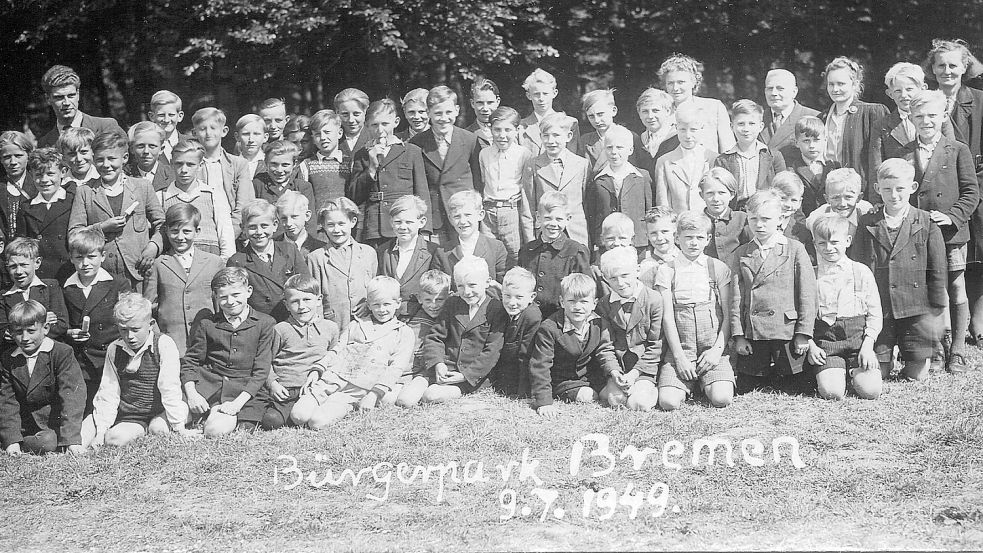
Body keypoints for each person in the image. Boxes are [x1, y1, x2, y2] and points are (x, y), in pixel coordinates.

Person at [853, 159, 947, 381]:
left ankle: (912, 356)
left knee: (918, 375)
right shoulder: (868, 222)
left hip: (915, 308)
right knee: (878, 373)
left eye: (900, 189)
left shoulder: (926, 222)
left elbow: (937, 272)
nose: (894, 195)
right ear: (877, 189)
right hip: (881, 309)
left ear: (913, 188)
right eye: (887, 189)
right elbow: (858, 266)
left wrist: (935, 311)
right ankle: (887, 357)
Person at [907, 90, 980, 373]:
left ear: (943, 116)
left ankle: (958, 349)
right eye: (920, 116)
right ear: (912, 118)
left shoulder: (958, 149)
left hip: (951, 234)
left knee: (956, 286)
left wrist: (952, 217)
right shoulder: (904, 152)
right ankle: (935, 348)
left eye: (932, 115)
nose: (926, 121)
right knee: (929, 289)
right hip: (919, 235)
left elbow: (971, 192)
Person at [293, 276, 413, 428]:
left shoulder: (403, 332)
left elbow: (396, 368)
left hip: (358, 388)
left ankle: (342, 405)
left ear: (398, 303)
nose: (382, 310)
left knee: (317, 422)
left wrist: (374, 394)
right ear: (368, 305)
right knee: (298, 415)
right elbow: (337, 349)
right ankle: (319, 399)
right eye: (376, 305)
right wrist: (318, 370)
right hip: (333, 377)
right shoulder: (356, 324)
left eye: (387, 304)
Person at [731, 190, 817, 391]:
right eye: (753, 219)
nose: (759, 225)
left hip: (785, 330)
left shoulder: (794, 249)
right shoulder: (742, 253)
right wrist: (739, 336)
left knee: (795, 385)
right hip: (754, 332)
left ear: (780, 218)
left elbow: (807, 294)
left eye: (766, 219)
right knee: (749, 385)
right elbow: (736, 297)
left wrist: (803, 333)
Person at [81, 293, 192, 447]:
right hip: (133, 415)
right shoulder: (114, 349)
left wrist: (179, 427)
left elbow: (169, 387)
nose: (130, 336)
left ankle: (160, 424)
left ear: (151, 324)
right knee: (114, 439)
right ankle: (138, 429)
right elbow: (108, 391)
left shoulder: (164, 344)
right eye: (123, 330)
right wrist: (101, 432)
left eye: (135, 329)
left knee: (158, 430)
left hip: (162, 409)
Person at [654, 211, 737, 410]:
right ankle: (687, 381)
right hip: (681, 349)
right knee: (668, 402)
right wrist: (680, 358)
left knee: (722, 398)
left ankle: (708, 380)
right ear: (677, 238)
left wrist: (716, 352)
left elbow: (728, 315)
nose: (693, 243)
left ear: (708, 239)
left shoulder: (717, 268)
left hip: (712, 349)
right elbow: (667, 318)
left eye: (699, 237)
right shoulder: (667, 270)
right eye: (688, 237)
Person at [182, 267, 275, 436]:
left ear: (249, 291)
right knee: (160, 425)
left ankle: (217, 417)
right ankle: (209, 412)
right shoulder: (207, 323)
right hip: (209, 385)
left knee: (215, 431)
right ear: (215, 298)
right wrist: (192, 394)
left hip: (245, 391)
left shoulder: (265, 323)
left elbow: (261, 371)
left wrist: (237, 404)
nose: (230, 302)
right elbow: (191, 361)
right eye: (223, 297)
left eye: (236, 295)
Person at [67, 130, 165, 290]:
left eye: (112, 159)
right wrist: (102, 227)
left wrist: (152, 248)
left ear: (125, 158)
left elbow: (162, 224)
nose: (106, 165)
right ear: (93, 160)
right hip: (101, 275)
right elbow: (73, 235)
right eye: (99, 160)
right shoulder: (85, 191)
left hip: (138, 272)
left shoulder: (142, 187)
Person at [528, 272, 626, 418]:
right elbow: (541, 365)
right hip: (565, 380)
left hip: (593, 378)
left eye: (584, 302)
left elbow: (605, 350)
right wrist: (544, 402)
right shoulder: (550, 328)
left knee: (617, 398)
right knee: (587, 396)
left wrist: (614, 372)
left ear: (594, 303)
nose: (577, 307)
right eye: (572, 301)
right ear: (562, 302)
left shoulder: (599, 323)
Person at [806, 216, 883, 400]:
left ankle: (852, 372)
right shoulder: (811, 274)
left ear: (847, 241)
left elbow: (874, 313)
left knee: (871, 391)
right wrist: (811, 346)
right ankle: (834, 372)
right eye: (822, 243)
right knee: (832, 393)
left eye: (834, 242)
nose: (828, 248)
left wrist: (868, 346)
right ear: (815, 244)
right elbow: (802, 314)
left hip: (858, 340)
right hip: (827, 341)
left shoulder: (861, 271)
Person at [417, 257, 508, 404]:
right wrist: (438, 363)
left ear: (487, 282)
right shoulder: (453, 303)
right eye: (460, 286)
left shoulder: (496, 309)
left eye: (472, 285)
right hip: (447, 369)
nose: (467, 292)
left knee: (430, 396)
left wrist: (465, 376)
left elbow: (492, 351)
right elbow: (435, 336)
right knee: (407, 397)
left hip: (473, 377)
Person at [0, 300, 85, 454]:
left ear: (45, 328)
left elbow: (72, 396)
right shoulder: (8, 358)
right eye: (18, 332)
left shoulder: (62, 352)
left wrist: (72, 440)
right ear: (11, 333)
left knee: (46, 442)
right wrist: (11, 440)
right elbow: (7, 401)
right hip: (22, 423)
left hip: (51, 423)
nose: (24, 338)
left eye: (31, 331)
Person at [61, 228, 131, 413]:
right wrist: (69, 332)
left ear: (102, 256)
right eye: (79, 258)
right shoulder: (65, 287)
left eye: (91, 257)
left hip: (110, 357)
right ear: (71, 257)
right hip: (80, 359)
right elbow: (62, 322)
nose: (85, 263)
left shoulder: (118, 284)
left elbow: (127, 318)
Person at [260, 275, 340, 430]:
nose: (301, 306)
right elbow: (265, 360)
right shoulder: (281, 329)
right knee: (271, 421)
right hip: (287, 390)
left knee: (317, 417)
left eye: (307, 300)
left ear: (318, 299)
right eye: (295, 301)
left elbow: (334, 358)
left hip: (316, 388)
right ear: (286, 304)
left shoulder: (330, 328)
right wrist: (273, 384)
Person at [144, 204, 225, 355]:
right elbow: (149, 307)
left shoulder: (214, 262)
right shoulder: (158, 264)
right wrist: (159, 339)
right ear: (166, 231)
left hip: (208, 344)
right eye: (174, 231)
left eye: (187, 231)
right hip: (172, 345)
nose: (180, 237)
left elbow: (220, 305)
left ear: (197, 231)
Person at [350, 99, 430, 248]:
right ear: (367, 126)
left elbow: (422, 192)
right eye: (374, 125)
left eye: (385, 124)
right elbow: (354, 195)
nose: (380, 130)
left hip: (404, 225)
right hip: (374, 228)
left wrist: (425, 230)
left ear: (396, 122)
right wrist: (372, 168)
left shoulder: (411, 151)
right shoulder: (362, 154)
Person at [409, 86, 483, 243]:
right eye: (437, 113)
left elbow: (478, 181)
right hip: (434, 218)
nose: (444, 118)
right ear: (428, 113)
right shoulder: (417, 143)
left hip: (463, 217)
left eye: (448, 112)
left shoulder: (470, 140)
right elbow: (418, 185)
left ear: (456, 110)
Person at [595, 247, 663, 411]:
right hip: (620, 368)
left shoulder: (653, 300)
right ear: (605, 279)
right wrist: (614, 372)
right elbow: (605, 345)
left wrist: (635, 374)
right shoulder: (604, 305)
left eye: (625, 275)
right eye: (613, 278)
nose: (620, 283)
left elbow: (656, 346)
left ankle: (651, 389)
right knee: (616, 400)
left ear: (637, 271)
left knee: (638, 404)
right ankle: (614, 388)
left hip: (644, 368)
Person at [819, 56, 890, 201]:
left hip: (862, 195)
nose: (835, 89)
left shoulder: (872, 113)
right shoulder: (822, 118)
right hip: (830, 195)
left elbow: (883, 160)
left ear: (854, 84)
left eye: (841, 84)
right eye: (831, 84)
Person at [227, 199, 311, 322]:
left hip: (292, 321)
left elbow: (306, 286)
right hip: (259, 326)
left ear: (275, 225)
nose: (259, 232)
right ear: (243, 228)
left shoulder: (289, 250)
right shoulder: (237, 261)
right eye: (252, 227)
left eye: (264, 226)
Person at [305, 197, 377, 330]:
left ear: (353, 222)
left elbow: (376, 288)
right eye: (331, 225)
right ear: (324, 226)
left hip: (365, 323)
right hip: (334, 325)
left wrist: (368, 302)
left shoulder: (368, 253)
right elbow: (315, 300)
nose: (336, 230)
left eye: (341, 223)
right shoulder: (316, 258)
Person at [159, 139, 236, 260]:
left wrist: (224, 262)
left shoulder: (213, 194)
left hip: (210, 259)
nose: (184, 170)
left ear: (200, 166)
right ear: (171, 164)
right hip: (175, 261)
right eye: (179, 164)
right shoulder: (162, 197)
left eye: (190, 164)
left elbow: (225, 234)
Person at [522, 112, 590, 248]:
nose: (550, 141)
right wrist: (530, 240)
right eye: (545, 136)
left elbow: (587, 204)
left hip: (576, 234)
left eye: (556, 135)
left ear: (569, 136)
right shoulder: (532, 165)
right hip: (545, 234)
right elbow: (528, 207)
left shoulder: (582, 164)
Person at [518, 191, 590, 318]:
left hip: (561, 319)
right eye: (547, 218)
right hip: (530, 319)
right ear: (538, 218)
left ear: (568, 220)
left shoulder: (575, 251)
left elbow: (585, 291)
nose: (553, 224)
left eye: (559, 219)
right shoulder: (527, 251)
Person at [479, 106, 535, 264]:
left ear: (517, 130)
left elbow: (527, 187)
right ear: (490, 129)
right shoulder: (484, 154)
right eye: (497, 130)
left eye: (507, 130)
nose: (502, 135)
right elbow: (484, 180)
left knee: (514, 253)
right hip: (488, 211)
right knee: (488, 253)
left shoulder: (524, 154)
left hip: (511, 210)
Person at [376, 195, 450, 315]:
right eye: (398, 222)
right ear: (391, 222)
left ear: (421, 222)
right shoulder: (383, 251)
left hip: (421, 316)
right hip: (388, 316)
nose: (403, 227)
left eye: (409, 222)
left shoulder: (433, 251)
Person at [585, 125, 653, 250]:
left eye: (620, 147)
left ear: (631, 150)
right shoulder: (597, 179)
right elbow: (592, 215)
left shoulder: (642, 177)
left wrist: (648, 244)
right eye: (609, 147)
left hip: (638, 244)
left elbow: (649, 211)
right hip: (607, 244)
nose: (614, 152)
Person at [191, 107, 254, 238]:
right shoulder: (191, 166)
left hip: (233, 231)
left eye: (213, 128)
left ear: (224, 131)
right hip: (200, 232)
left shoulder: (238, 164)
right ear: (194, 133)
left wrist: (229, 235)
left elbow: (243, 205)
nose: (208, 133)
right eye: (202, 129)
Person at [392, 269, 451, 407]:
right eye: (428, 300)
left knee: (405, 401)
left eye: (440, 300)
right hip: (403, 368)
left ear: (448, 297)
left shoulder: (448, 318)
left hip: (424, 373)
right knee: (386, 399)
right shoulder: (410, 315)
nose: (434, 305)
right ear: (419, 298)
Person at [714, 99, 786, 209]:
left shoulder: (773, 156)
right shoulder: (723, 160)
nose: (746, 129)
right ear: (732, 126)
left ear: (761, 126)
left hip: (767, 211)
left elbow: (784, 190)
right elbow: (720, 194)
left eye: (751, 123)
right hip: (736, 213)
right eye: (741, 124)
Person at [657, 54, 736, 153]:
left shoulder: (714, 108)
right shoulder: (660, 113)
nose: (675, 88)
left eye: (681, 82)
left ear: (693, 82)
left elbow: (728, 148)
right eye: (670, 83)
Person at [18, 147, 76, 282]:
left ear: (63, 172)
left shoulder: (73, 200)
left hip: (70, 271)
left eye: (50, 174)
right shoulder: (26, 208)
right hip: (41, 274)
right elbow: (22, 246)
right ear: (31, 174)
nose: (44, 180)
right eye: (38, 175)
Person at [37, 65, 123, 148]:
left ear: (78, 94)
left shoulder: (106, 127)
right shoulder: (44, 143)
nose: (66, 103)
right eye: (59, 97)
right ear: (48, 99)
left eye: (71, 95)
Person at [654, 103, 717, 212]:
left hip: (706, 222)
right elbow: (662, 202)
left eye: (693, 130)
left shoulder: (713, 158)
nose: (687, 135)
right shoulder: (664, 162)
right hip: (678, 223)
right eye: (683, 129)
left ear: (702, 128)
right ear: (676, 128)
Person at [0, 238, 68, 340]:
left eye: (24, 265)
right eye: (13, 266)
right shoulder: (4, 295)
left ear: (37, 263)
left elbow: (61, 325)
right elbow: (3, 329)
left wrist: (18, 328)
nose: (18, 271)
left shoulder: (50, 287)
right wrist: (41, 321)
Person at [490, 267, 543, 397]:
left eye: (519, 297)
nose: (512, 303)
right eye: (507, 296)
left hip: (521, 373)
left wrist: (523, 392)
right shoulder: (502, 311)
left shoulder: (532, 316)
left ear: (532, 297)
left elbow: (526, 355)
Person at [252, 140, 318, 239]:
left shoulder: (302, 187)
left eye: (285, 165)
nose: (279, 170)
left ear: (294, 164)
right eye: (274, 164)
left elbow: (310, 224)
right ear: (266, 163)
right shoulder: (258, 184)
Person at [443, 190, 508, 282]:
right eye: (457, 216)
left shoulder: (496, 247)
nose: (462, 221)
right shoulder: (443, 252)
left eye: (468, 215)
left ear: (480, 215)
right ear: (450, 219)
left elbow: (502, 286)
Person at [783, 116, 842, 216]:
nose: (812, 145)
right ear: (797, 143)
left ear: (825, 140)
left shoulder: (835, 167)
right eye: (806, 141)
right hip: (803, 223)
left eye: (816, 140)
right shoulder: (792, 170)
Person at [579, 89, 643, 176]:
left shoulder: (630, 137)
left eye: (600, 114)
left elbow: (639, 170)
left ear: (613, 111)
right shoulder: (585, 141)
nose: (597, 120)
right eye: (591, 116)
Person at [519, 68, 581, 154]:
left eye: (545, 94)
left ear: (554, 93)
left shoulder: (570, 123)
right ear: (529, 95)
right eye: (536, 94)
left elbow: (572, 158)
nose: (541, 99)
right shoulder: (521, 126)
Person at [804, 168, 874, 240]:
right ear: (827, 199)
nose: (842, 204)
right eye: (836, 198)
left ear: (859, 197)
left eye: (848, 197)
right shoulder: (817, 217)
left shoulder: (865, 211)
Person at [699, 168, 750, 267]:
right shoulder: (697, 222)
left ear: (731, 195)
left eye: (721, 193)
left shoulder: (742, 219)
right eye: (710, 193)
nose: (716, 199)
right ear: (702, 195)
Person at [879, 62, 930, 161]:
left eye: (909, 89)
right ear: (890, 94)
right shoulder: (882, 125)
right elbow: (876, 166)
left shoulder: (938, 119)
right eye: (898, 91)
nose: (904, 95)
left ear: (923, 89)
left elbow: (949, 152)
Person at [300, 109, 349, 213]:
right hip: (318, 225)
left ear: (340, 133)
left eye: (327, 132)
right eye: (317, 134)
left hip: (344, 223)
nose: (323, 138)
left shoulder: (349, 162)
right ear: (313, 138)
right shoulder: (307, 165)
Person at [760, 69, 819, 153]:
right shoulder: (757, 118)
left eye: (780, 88)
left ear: (794, 92)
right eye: (769, 88)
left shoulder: (814, 117)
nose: (773, 93)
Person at [634, 87, 680, 181]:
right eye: (645, 111)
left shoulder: (678, 138)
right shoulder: (639, 141)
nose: (650, 116)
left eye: (655, 111)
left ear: (667, 111)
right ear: (639, 114)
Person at [0, 131, 36, 243]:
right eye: (7, 157)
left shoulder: (39, 186)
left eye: (18, 156)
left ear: (28, 156)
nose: (13, 162)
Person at [638, 207, 680, 289]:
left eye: (664, 231)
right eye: (653, 233)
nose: (659, 238)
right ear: (648, 236)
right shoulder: (646, 266)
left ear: (675, 233)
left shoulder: (685, 259)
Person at [124, 121, 173, 192]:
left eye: (152, 146)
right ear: (132, 149)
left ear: (161, 149)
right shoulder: (124, 175)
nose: (146, 151)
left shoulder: (172, 176)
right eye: (140, 146)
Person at [275, 191, 324, 258]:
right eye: (284, 218)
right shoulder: (271, 246)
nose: (288, 223)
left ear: (307, 216)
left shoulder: (321, 249)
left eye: (294, 217)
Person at [335, 88, 371, 170]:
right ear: (337, 112)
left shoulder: (374, 137)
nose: (351, 120)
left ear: (365, 111)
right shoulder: (331, 139)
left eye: (356, 114)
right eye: (345, 114)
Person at [148, 90, 186, 163]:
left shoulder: (191, 142)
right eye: (161, 115)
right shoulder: (146, 146)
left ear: (180, 116)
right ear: (152, 116)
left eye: (171, 115)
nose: (166, 120)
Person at [466, 77, 501, 148]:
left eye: (490, 102)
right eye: (480, 103)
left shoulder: (509, 130)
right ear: (472, 103)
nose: (485, 108)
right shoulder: (466, 135)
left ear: (497, 102)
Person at [235, 114, 269, 179]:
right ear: (237, 137)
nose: (251, 140)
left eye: (256, 134)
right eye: (246, 134)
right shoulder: (231, 164)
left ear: (265, 137)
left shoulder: (269, 163)